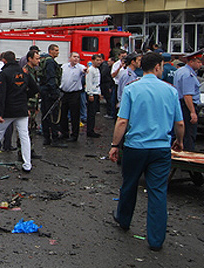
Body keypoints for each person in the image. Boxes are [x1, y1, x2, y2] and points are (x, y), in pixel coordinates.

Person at [109, 52, 184, 252]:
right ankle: (156, 239)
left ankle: (124, 220)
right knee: (158, 192)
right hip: (161, 148)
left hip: (135, 147)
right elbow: (180, 123)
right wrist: (179, 141)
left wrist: (115, 145)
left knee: (129, 184)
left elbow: (122, 121)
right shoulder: (170, 91)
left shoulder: (132, 89)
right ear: (158, 67)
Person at [0, 51, 39, 172]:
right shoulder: (24, 72)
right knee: (24, 135)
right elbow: (35, 88)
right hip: (22, 109)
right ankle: (27, 164)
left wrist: (0, 113)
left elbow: (2, 94)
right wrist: (25, 97)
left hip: (8, 110)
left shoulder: (4, 73)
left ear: (4, 60)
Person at [173, 49, 203, 152]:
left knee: (181, 133)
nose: (200, 64)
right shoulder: (188, 74)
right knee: (189, 135)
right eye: (198, 62)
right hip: (187, 106)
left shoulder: (180, 71)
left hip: (180, 105)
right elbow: (187, 95)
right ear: (191, 61)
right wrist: (193, 112)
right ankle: (187, 162)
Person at [40, 44, 66, 147]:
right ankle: (54, 138)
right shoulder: (50, 62)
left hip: (45, 91)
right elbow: (51, 78)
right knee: (53, 116)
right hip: (49, 92)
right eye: (56, 50)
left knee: (45, 115)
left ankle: (47, 138)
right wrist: (55, 92)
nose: (58, 52)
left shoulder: (45, 60)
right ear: (50, 51)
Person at [59, 52, 86, 142]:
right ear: (70, 57)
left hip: (74, 93)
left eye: (78, 57)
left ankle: (74, 135)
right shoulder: (64, 67)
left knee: (75, 115)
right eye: (74, 57)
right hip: (64, 93)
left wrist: (86, 70)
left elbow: (85, 70)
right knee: (63, 114)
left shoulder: (80, 67)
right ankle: (64, 132)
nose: (76, 59)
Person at [23, 49, 42, 134]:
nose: (39, 61)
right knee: (25, 128)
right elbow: (23, 90)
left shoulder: (34, 71)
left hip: (33, 104)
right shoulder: (25, 72)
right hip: (27, 104)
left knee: (31, 127)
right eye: (36, 59)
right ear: (30, 59)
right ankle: (22, 146)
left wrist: (37, 105)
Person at [85, 54, 103, 138]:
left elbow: (97, 83)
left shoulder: (97, 70)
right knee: (91, 113)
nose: (99, 62)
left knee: (94, 112)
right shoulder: (91, 70)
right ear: (93, 61)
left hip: (96, 92)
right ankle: (89, 130)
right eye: (97, 60)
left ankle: (91, 129)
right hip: (92, 93)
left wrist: (99, 93)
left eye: (100, 60)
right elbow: (89, 82)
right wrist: (90, 94)